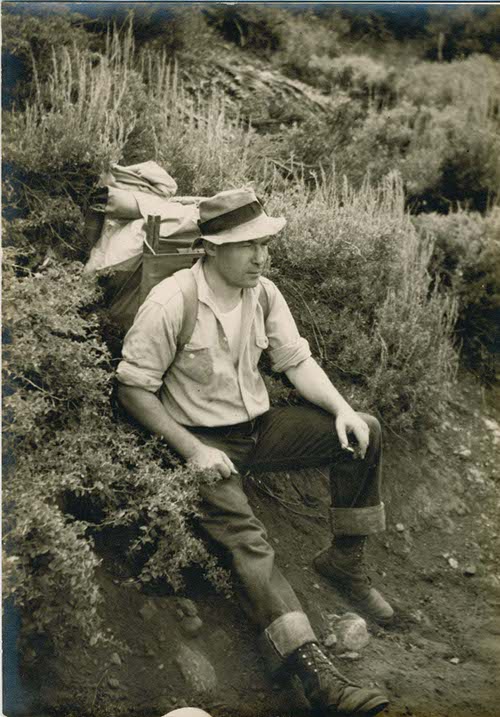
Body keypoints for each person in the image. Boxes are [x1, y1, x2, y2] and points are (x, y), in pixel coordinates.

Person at [116, 188, 393, 716]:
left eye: (265, 243)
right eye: (247, 246)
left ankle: (345, 562)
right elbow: (132, 389)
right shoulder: (173, 301)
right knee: (249, 541)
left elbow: (296, 361)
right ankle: (317, 679)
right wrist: (192, 449)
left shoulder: (264, 292)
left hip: (257, 430)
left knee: (366, 431)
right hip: (200, 443)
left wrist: (341, 409)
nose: (261, 256)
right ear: (211, 248)